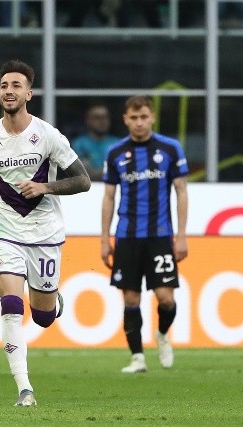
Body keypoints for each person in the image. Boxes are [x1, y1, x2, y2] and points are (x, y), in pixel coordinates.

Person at [0, 60, 91, 407]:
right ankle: (24, 389)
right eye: (4, 85)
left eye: (16, 85)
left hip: (46, 233)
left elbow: (83, 181)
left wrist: (44, 187)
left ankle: (51, 301)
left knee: (44, 317)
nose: (9, 91)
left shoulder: (47, 135)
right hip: (5, 230)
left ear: (28, 93)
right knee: (10, 306)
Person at [101, 95, 189, 374]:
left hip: (160, 235)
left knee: (166, 298)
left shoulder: (170, 149)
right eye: (133, 118)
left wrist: (182, 235)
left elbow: (182, 191)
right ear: (126, 119)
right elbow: (108, 197)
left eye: (144, 117)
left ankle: (162, 334)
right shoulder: (116, 153)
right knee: (130, 299)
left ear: (152, 117)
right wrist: (105, 239)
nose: (139, 123)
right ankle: (137, 357)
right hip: (127, 236)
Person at [71, 103, 120, 181]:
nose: (102, 121)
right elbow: (82, 173)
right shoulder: (79, 144)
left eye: (105, 117)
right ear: (88, 120)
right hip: (88, 189)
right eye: (97, 117)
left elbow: (123, 169)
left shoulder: (118, 143)